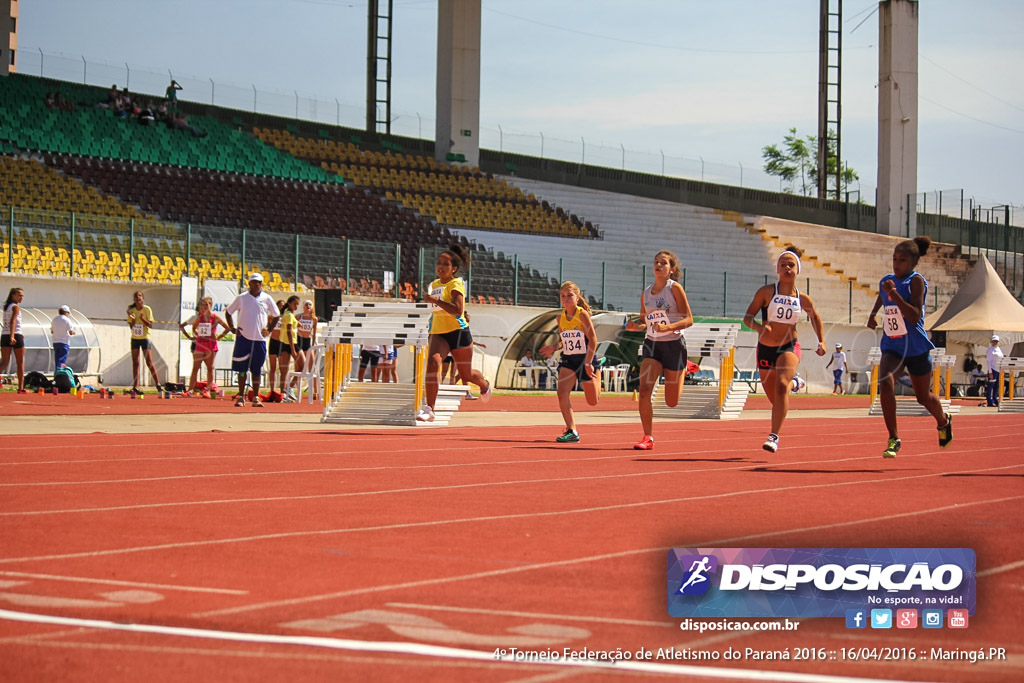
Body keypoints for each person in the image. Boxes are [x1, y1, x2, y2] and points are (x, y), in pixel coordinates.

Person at [866, 236, 952, 458]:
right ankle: (894, 437)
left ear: (914, 261)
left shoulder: (916, 281)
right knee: (885, 382)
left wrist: (894, 294)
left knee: (923, 397)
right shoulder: (887, 280)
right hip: (893, 345)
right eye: (894, 259)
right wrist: (874, 314)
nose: (896, 264)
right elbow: (881, 296)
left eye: (902, 260)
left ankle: (943, 421)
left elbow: (914, 316)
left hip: (915, 347)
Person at [743, 247, 827, 453]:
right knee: (776, 399)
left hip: (789, 346)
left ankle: (774, 436)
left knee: (781, 385)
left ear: (797, 269)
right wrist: (759, 327)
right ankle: (795, 382)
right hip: (765, 349)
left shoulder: (803, 298)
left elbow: (815, 317)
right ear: (777, 269)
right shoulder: (766, 292)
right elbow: (747, 317)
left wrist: (822, 341)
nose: (787, 268)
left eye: (791, 265)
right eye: (783, 265)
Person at [624, 250, 694, 450]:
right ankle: (648, 437)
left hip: (673, 345)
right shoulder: (646, 294)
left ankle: (684, 368)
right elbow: (644, 321)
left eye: (663, 263)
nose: (658, 265)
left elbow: (689, 319)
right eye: (656, 262)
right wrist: (634, 327)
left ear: (671, 269)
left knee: (671, 402)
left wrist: (669, 327)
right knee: (644, 390)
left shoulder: (675, 289)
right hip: (652, 345)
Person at [417, 244, 491, 422]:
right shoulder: (434, 284)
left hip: (459, 332)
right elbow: (435, 308)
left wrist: (434, 300)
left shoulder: (456, 284)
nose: (440, 267)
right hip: (439, 332)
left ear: (454, 269)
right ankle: (430, 409)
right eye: (438, 263)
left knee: (466, 375)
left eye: (445, 264)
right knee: (433, 364)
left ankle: (484, 384)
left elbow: (458, 310)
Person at [539, 281, 601, 443]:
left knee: (592, 401)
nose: (566, 299)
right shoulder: (560, 318)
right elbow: (563, 341)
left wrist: (589, 362)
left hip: (585, 358)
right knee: (562, 393)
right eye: (563, 296)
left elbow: (593, 339)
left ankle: (598, 369)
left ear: (577, 297)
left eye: (569, 295)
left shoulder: (582, 315)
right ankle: (572, 430)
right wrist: (553, 348)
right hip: (569, 359)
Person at [225, 273, 280, 407]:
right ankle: (241, 397)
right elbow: (228, 312)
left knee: (256, 369)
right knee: (242, 369)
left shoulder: (267, 298)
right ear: (249, 283)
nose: (257, 284)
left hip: (259, 339)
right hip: (244, 338)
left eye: (259, 282)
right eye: (254, 282)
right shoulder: (242, 298)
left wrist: (269, 329)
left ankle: (256, 397)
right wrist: (233, 328)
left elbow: (277, 315)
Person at [179, 297, 228, 396]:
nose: (204, 307)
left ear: (211, 305)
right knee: (195, 367)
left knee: (210, 368)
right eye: (202, 305)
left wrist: (218, 337)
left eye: (207, 304)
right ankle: (190, 390)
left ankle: (208, 391)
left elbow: (227, 328)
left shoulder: (215, 318)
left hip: (210, 345)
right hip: (200, 344)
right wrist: (196, 333)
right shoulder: (200, 317)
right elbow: (194, 328)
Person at [127, 290, 162, 393]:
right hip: (135, 338)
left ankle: (158, 384)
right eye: (136, 296)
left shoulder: (147, 309)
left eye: (140, 296)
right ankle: (136, 386)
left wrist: (142, 319)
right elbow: (131, 327)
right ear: (134, 299)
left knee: (149, 361)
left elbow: (151, 325)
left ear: (142, 298)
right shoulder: (132, 310)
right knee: (135, 362)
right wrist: (133, 320)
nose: (138, 298)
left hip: (145, 337)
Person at [1, 287, 26, 393]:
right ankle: (21, 387)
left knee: (4, 362)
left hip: (5, 335)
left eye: (22, 296)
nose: (21, 298)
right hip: (14, 335)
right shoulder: (15, 307)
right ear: (13, 295)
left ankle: (21, 387)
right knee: (20, 362)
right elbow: (13, 321)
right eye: (19, 295)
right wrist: (12, 336)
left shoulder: (7, 308)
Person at [277, 296, 301, 402]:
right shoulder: (289, 315)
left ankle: (283, 393)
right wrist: (293, 349)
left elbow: (295, 325)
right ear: (290, 303)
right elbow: (289, 332)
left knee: (284, 370)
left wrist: (298, 322)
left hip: (284, 343)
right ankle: (288, 388)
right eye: (295, 304)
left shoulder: (287, 314)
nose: (297, 306)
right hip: (291, 343)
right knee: (302, 366)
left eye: (298, 304)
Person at [266, 299, 286, 397]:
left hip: (282, 343)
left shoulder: (286, 317)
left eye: (283, 305)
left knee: (283, 369)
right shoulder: (271, 317)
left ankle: (283, 390)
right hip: (273, 342)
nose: (282, 307)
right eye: (280, 305)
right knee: (273, 368)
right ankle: (272, 389)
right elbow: (267, 328)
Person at [50, 304, 77, 370]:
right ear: (66, 312)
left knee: (57, 360)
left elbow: (52, 331)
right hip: (64, 343)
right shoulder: (67, 320)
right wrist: (74, 332)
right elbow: (71, 332)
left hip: (55, 342)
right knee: (62, 360)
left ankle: (57, 374)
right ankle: (60, 374)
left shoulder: (55, 319)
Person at [296, 299, 318, 370]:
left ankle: (313, 381)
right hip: (299, 341)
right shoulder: (298, 317)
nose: (308, 306)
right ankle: (297, 381)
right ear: (303, 306)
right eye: (306, 304)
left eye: (310, 304)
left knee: (312, 367)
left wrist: (313, 345)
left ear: (312, 307)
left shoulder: (314, 319)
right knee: (298, 367)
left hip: (308, 341)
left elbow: (314, 333)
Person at [986, 334, 1004, 408]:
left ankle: (995, 399)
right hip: (993, 369)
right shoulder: (990, 350)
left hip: (998, 370)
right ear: (991, 342)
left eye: (996, 341)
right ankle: (989, 401)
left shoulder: (999, 349)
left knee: (996, 386)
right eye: (994, 341)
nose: (995, 343)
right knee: (991, 386)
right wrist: (990, 372)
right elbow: (988, 361)